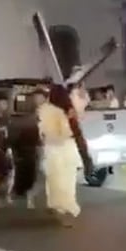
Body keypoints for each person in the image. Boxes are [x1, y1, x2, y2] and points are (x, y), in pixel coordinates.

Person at [37, 86, 82, 225]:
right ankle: (63, 210)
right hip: (66, 147)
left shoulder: (47, 110)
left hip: (54, 148)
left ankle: (57, 207)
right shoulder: (67, 111)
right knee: (66, 180)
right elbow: (73, 131)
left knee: (55, 179)